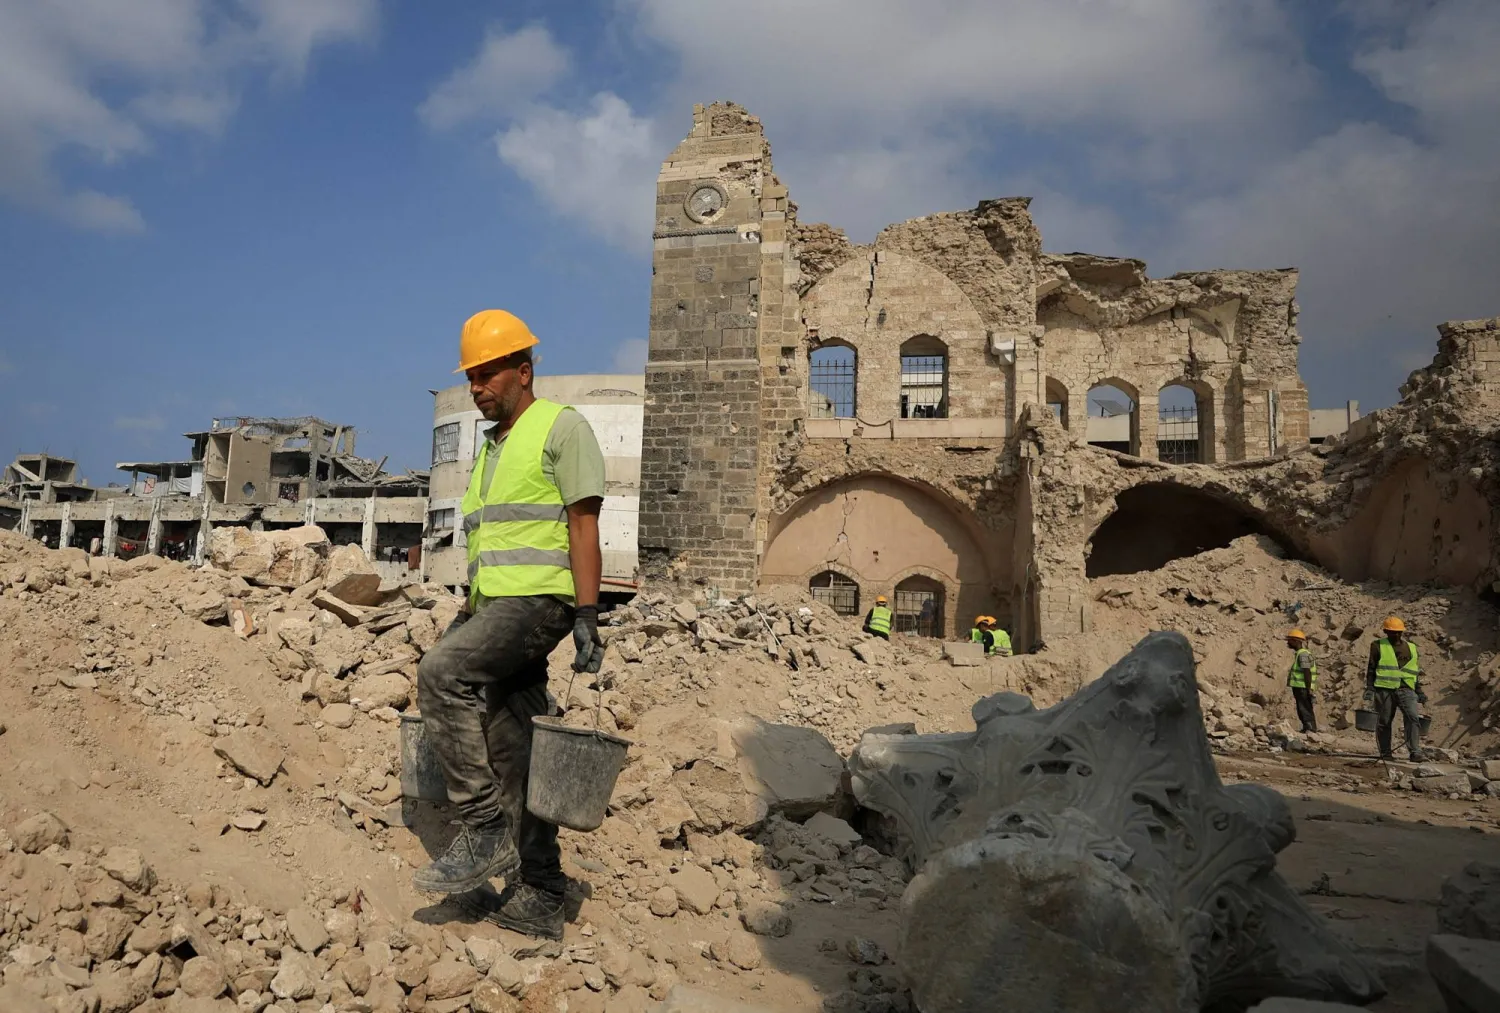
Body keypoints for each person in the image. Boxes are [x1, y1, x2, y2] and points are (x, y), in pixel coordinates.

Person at [414, 309, 608, 940]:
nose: (478, 388)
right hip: (492, 605)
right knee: (512, 743)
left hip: (538, 603)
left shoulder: (561, 427)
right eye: (472, 377)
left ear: (524, 372)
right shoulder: (492, 449)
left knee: (441, 673)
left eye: (488, 374)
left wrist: (585, 614)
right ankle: (543, 891)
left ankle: (483, 827)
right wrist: (470, 607)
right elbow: (492, 542)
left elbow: (583, 524)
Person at [1365, 616, 1425, 762]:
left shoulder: (1411, 647)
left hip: (1407, 689)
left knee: (1412, 718)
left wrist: (1419, 690)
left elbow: (1414, 671)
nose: (1396, 635)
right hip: (1384, 689)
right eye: (1392, 632)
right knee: (1384, 721)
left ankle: (1415, 751)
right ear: (1385, 631)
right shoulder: (1378, 645)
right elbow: (1371, 668)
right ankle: (1385, 753)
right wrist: (1370, 688)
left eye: (1398, 632)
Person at [1285, 629, 1317, 733]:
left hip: (1302, 686)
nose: (1288, 643)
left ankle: (1310, 728)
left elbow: (1307, 672)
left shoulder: (1303, 654)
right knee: (1303, 707)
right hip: (1301, 686)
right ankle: (1308, 728)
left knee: (1304, 708)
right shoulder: (1301, 653)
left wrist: (1308, 689)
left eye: (1289, 640)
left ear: (1295, 641)